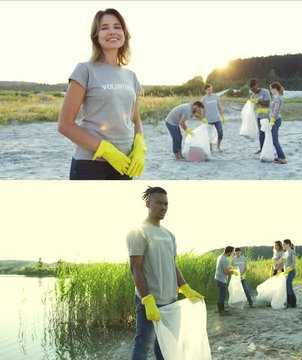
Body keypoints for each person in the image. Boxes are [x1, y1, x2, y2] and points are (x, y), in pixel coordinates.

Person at [58, 8, 145, 180]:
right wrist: (106, 150)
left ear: (124, 34)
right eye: (104, 27)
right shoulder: (85, 70)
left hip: (125, 164)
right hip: (91, 164)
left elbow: (135, 120)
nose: (112, 31)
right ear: (96, 36)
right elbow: (65, 125)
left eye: (117, 26)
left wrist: (140, 147)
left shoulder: (131, 76)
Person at [127, 187, 204, 360]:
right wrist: (147, 299)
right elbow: (135, 269)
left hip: (171, 300)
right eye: (159, 203)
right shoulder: (138, 232)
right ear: (148, 204)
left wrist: (185, 287)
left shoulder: (169, 235)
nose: (163, 207)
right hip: (150, 300)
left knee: (166, 344)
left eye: (166, 204)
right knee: (142, 345)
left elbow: (172, 264)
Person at [248, 79, 271, 153]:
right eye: (252, 90)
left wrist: (258, 101)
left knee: (268, 133)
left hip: (267, 116)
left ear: (256, 85)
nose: (253, 91)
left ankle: (269, 149)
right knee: (261, 134)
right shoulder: (253, 96)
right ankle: (262, 149)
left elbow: (267, 104)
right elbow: (254, 108)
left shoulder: (265, 92)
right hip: (259, 117)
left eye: (254, 89)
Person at [200, 83, 226, 152]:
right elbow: (202, 111)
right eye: (209, 90)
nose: (210, 91)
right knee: (209, 135)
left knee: (220, 133)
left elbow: (219, 106)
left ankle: (218, 147)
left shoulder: (215, 96)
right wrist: (203, 120)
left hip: (217, 119)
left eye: (211, 89)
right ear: (205, 90)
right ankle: (210, 149)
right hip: (208, 120)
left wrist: (222, 116)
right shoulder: (203, 99)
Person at [269, 82, 287, 164]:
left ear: (274, 89)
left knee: (275, 140)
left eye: (271, 89)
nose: (270, 91)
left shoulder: (277, 98)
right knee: (274, 139)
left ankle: (282, 158)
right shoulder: (277, 98)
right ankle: (280, 156)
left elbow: (275, 110)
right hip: (275, 120)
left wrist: (272, 120)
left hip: (276, 120)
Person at [214, 246, 234, 316]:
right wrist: (233, 272)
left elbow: (224, 268)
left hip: (218, 278)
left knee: (221, 294)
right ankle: (221, 311)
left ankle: (221, 309)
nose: (232, 253)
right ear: (229, 252)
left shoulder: (220, 256)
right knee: (223, 295)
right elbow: (226, 272)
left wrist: (230, 268)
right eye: (232, 252)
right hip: (221, 279)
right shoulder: (224, 259)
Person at [282, 239, 297, 308]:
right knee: (289, 286)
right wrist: (273, 264)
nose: (283, 245)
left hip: (291, 271)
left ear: (288, 244)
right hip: (286, 272)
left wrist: (288, 269)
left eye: (284, 244)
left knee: (288, 285)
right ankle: (293, 303)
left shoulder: (292, 252)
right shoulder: (285, 253)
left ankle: (290, 303)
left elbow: (293, 263)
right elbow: (280, 261)